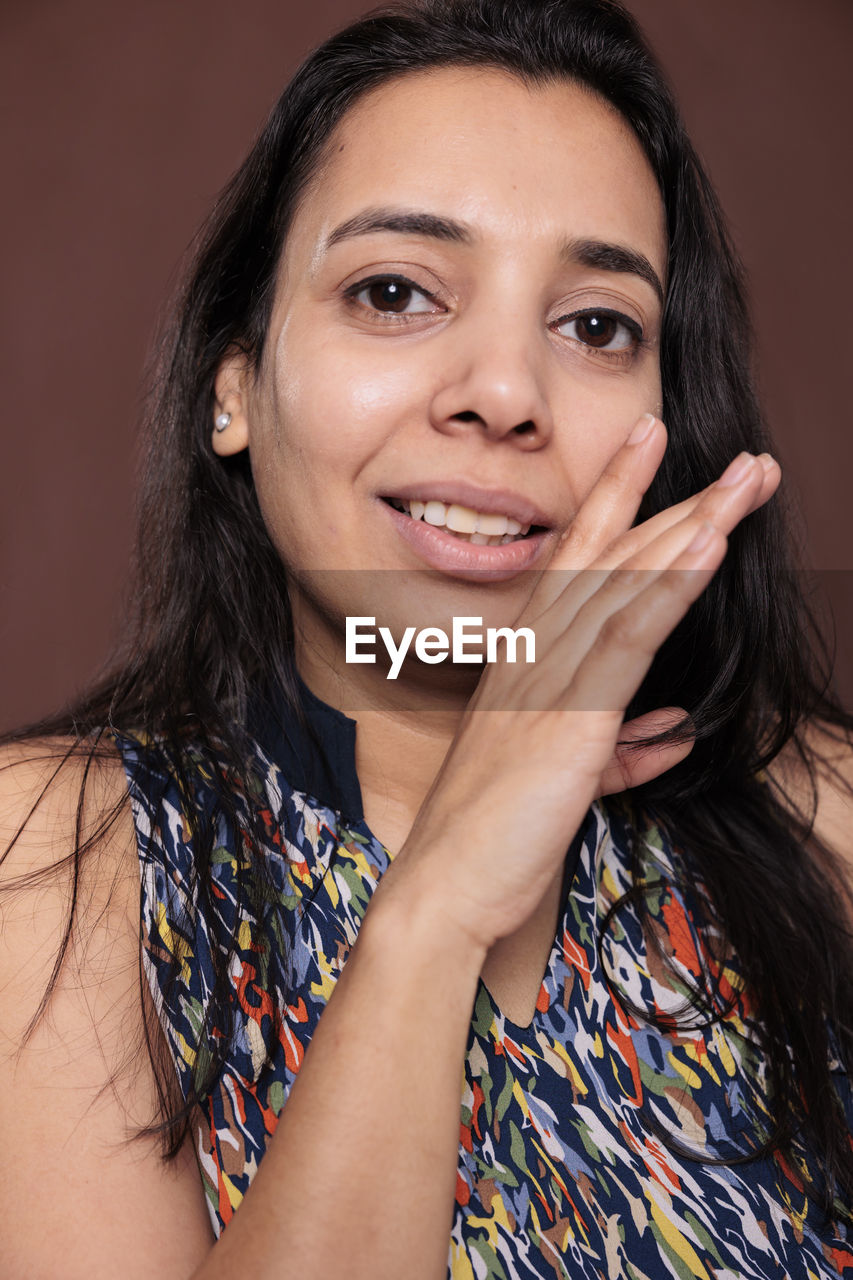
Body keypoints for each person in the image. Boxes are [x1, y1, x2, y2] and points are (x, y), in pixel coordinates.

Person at [1, 0, 852, 1276]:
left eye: (596, 325)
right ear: (234, 383)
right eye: (394, 292)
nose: (504, 394)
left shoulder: (822, 823)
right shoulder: (55, 870)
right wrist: (439, 904)